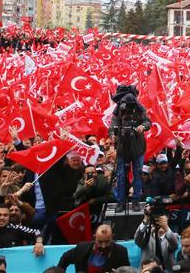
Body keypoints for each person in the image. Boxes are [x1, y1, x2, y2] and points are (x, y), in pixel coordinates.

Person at [109, 84, 152, 212]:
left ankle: (136, 201)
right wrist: (112, 134)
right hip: (123, 147)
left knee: (137, 174)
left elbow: (147, 122)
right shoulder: (119, 108)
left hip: (137, 147)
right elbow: (113, 123)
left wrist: (143, 126)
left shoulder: (139, 108)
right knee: (121, 175)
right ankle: (121, 202)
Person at [58, 224, 130, 272]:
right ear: (95, 237)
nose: (103, 246)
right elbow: (65, 258)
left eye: (107, 241)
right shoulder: (81, 248)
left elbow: (128, 272)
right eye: (100, 242)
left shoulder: (121, 252)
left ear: (112, 237)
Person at [134, 205, 179, 271]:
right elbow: (137, 240)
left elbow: (174, 245)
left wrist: (166, 227)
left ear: (167, 219)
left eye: (161, 218)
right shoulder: (146, 235)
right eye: (155, 218)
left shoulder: (173, 236)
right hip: (146, 270)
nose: (158, 220)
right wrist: (145, 221)